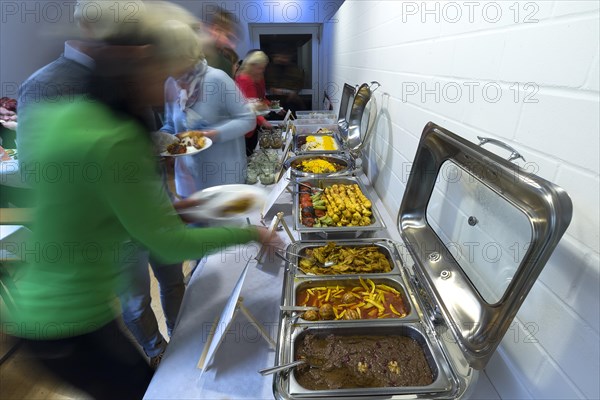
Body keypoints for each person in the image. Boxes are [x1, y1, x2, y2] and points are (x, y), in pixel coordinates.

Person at [2, 4, 274, 399]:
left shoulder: (76, 115)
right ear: (141, 59)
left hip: (46, 309)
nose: (169, 82)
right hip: (68, 318)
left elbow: (87, 197)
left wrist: (164, 209)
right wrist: (250, 235)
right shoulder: (114, 136)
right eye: (165, 69)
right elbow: (168, 243)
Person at [15, 0, 198, 369]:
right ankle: (156, 352)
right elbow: (38, 173)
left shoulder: (127, 71)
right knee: (135, 300)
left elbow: (142, 141)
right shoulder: (43, 86)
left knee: (173, 280)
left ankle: (182, 348)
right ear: (89, 27)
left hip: (154, 207)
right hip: (111, 231)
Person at [160, 48, 255, 197]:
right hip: (187, 180)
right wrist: (162, 138)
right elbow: (170, 124)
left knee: (228, 220)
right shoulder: (170, 83)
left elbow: (248, 119)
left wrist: (214, 135)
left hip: (224, 179)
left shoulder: (218, 79)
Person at [234, 50, 272, 156]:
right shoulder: (244, 79)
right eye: (260, 68)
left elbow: (259, 98)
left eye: (263, 68)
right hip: (245, 125)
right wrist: (263, 121)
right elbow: (248, 106)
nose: (262, 70)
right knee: (248, 153)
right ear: (252, 65)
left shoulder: (255, 76)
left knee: (252, 149)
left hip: (252, 123)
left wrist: (268, 104)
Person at [201, 7, 240, 78]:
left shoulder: (225, 63)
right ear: (216, 30)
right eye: (228, 37)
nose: (233, 46)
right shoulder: (195, 56)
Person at [265, 48, 306, 115]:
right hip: (274, 103)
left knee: (292, 120)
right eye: (280, 56)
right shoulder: (269, 69)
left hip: (292, 102)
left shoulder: (295, 69)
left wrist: (294, 91)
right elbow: (266, 85)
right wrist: (270, 89)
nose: (282, 59)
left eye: (285, 57)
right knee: (276, 122)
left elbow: (300, 83)